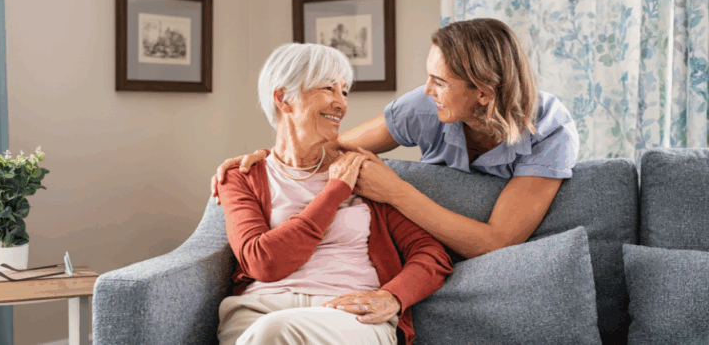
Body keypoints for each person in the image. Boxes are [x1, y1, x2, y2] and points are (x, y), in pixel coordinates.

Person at [213, 18, 579, 260]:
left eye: (440, 82)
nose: (426, 89)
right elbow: (330, 150)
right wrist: (269, 157)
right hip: (423, 248)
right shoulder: (424, 107)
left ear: (483, 93)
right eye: (428, 76)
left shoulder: (549, 130)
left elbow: (497, 242)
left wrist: (394, 190)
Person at [215, 43, 452, 345]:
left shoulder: (362, 171)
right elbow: (263, 263)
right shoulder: (241, 176)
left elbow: (431, 253)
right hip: (258, 310)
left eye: (344, 92)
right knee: (268, 330)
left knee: (273, 333)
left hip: (346, 313)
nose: (341, 104)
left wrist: (392, 297)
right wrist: (334, 192)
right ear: (282, 98)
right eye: (329, 88)